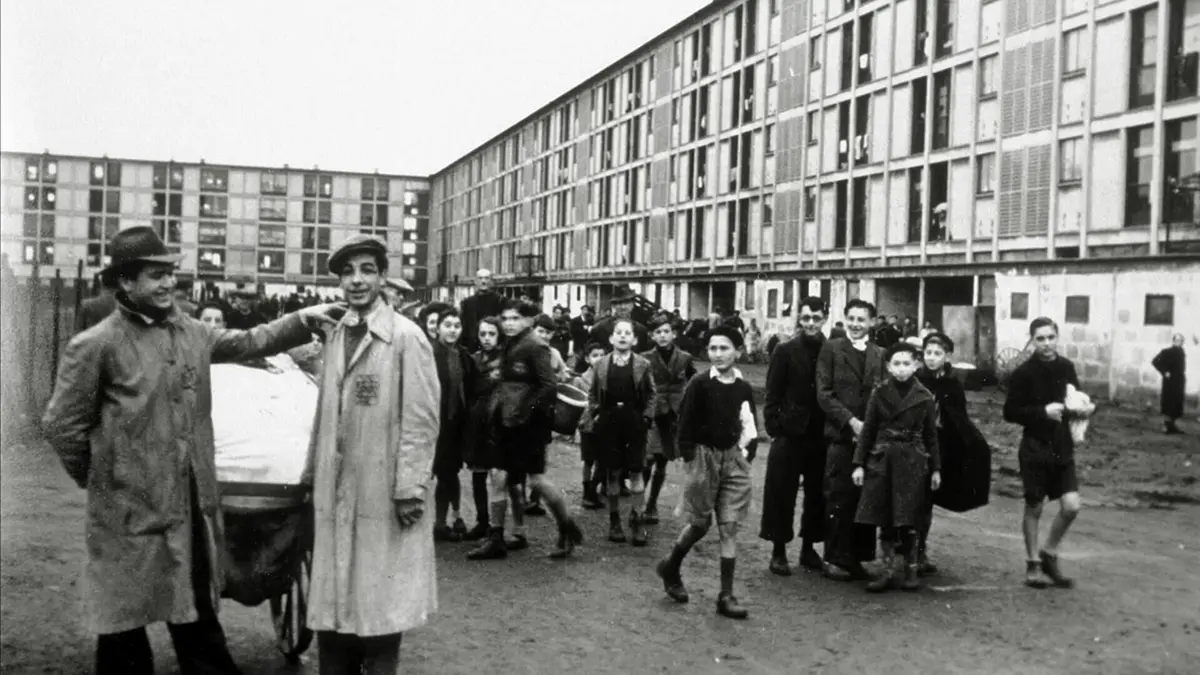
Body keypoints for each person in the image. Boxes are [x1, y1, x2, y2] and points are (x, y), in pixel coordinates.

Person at [41, 226, 342, 675]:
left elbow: (250, 341)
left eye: (170, 274)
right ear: (125, 282)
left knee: (198, 613)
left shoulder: (191, 332)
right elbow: (62, 425)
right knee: (123, 626)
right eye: (154, 276)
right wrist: (103, 476)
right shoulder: (97, 345)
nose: (168, 285)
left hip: (190, 506)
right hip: (127, 513)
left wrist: (303, 318)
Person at [304, 235, 441, 673]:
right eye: (347, 272)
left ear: (383, 277)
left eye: (366, 270)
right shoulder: (335, 332)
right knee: (332, 612)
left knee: (380, 612)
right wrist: (312, 477)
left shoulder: (406, 337)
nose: (356, 280)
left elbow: (421, 420)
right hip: (336, 491)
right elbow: (323, 416)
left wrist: (409, 489)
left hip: (383, 494)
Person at [466, 299, 584, 560]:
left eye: (515, 318)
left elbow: (548, 386)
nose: (509, 323)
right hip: (507, 423)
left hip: (528, 427)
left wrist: (525, 414)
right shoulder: (512, 343)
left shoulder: (535, 346)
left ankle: (567, 528)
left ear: (529, 321)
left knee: (537, 481)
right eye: (505, 318)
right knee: (498, 475)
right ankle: (496, 538)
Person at [655, 325, 759, 619]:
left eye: (724, 348)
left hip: (732, 460)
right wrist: (689, 458)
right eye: (713, 349)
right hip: (703, 458)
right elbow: (684, 425)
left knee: (729, 525)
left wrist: (746, 455)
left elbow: (749, 423)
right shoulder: (700, 384)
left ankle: (726, 595)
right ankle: (672, 564)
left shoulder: (742, 387)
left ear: (738, 351)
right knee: (700, 523)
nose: (718, 354)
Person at [851, 342, 941, 592]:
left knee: (911, 518)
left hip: (912, 461)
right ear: (889, 367)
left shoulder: (923, 397)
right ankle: (887, 570)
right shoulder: (879, 393)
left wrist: (935, 469)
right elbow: (868, 430)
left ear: (916, 365)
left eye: (907, 364)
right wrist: (859, 464)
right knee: (885, 517)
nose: (901, 369)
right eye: (896, 364)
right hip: (883, 460)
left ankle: (911, 570)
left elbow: (932, 436)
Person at [1003, 317, 1084, 590]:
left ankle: (1049, 553)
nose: (1047, 344)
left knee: (1071, 506)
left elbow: (1075, 400)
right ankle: (1032, 562)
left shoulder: (1066, 367)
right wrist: (1041, 412)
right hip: (1035, 446)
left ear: (1057, 337)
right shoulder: (1024, 373)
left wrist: (1084, 409)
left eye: (1051, 337)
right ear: (1032, 340)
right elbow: (1010, 412)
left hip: (1062, 445)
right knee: (1034, 506)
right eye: (1040, 339)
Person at [816, 299, 886, 581]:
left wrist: (871, 427)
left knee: (865, 499)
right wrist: (851, 422)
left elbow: (883, 393)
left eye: (862, 319)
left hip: (870, 440)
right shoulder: (832, 349)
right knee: (838, 496)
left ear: (872, 322)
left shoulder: (879, 354)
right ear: (844, 320)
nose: (856, 324)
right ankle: (833, 557)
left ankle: (858, 558)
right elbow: (824, 393)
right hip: (841, 436)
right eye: (851, 318)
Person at [760, 297, 829, 576]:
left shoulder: (832, 350)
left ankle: (809, 549)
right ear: (799, 320)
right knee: (780, 492)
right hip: (790, 433)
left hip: (821, 433)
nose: (810, 323)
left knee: (818, 494)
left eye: (815, 317)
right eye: (805, 318)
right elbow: (772, 393)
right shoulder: (785, 350)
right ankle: (778, 551)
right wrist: (775, 427)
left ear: (825, 317)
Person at [914, 332, 990, 576]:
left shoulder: (952, 384)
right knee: (912, 500)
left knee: (926, 502)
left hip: (940, 447)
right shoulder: (915, 380)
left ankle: (920, 550)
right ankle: (905, 551)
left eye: (938, 354)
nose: (932, 358)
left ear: (947, 357)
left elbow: (959, 417)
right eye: (928, 353)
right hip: (914, 446)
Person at [587, 319, 657, 545]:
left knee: (636, 472)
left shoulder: (642, 364)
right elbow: (592, 395)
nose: (623, 336)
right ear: (611, 338)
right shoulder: (601, 365)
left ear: (634, 340)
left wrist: (646, 417)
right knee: (613, 473)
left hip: (634, 422)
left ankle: (637, 522)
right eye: (619, 332)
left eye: (628, 333)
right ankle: (614, 522)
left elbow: (652, 394)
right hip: (609, 423)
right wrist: (596, 413)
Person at [641, 317, 696, 524]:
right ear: (652, 336)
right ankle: (638, 504)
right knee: (647, 460)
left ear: (674, 334)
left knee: (663, 461)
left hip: (674, 415)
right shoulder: (645, 358)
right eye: (658, 332)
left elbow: (693, 383)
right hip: (654, 413)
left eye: (666, 331)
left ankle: (651, 504)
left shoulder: (685, 358)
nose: (662, 335)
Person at [432, 307, 476, 542]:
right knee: (442, 473)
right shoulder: (429, 354)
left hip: (456, 424)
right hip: (434, 423)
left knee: (449, 472)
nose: (452, 330)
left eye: (457, 326)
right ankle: (440, 522)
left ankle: (452, 518)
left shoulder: (463, 356)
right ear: (437, 328)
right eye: (447, 325)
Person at [573, 342, 609, 510]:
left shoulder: (611, 378)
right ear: (587, 359)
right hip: (588, 425)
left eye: (602, 355)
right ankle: (587, 492)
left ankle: (595, 489)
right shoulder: (580, 380)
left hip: (606, 425)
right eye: (595, 355)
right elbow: (575, 405)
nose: (599, 359)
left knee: (604, 460)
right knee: (588, 460)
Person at [590, 286, 650, 351]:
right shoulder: (599, 329)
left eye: (626, 303)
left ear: (632, 305)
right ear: (613, 306)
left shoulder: (641, 330)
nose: (623, 307)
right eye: (619, 303)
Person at [459, 269, 504, 352]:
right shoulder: (468, 302)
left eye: (486, 278)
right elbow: (464, 325)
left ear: (491, 281)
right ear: (476, 281)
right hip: (472, 347)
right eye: (480, 278)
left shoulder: (500, 300)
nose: (483, 281)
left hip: (493, 345)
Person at [1152, 334, 1187, 434]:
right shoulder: (1167, 352)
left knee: (1177, 403)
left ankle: (1172, 425)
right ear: (1173, 341)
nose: (1178, 342)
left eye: (1180, 341)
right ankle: (1167, 426)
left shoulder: (1182, 352)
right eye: (1177, 340)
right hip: (1169, 382)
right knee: (1169, 403)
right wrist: (1164, 372)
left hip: (1179, 381)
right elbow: (1155, 361)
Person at [569, 304, 597, 371]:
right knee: (576, 358)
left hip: (587, 343)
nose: (585, 312)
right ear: (581, 310)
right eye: (584, 310)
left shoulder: (590, 320)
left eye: (586, 310)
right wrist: (584, 329)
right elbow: (573, 331)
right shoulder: (575, 320)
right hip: (578, 343)